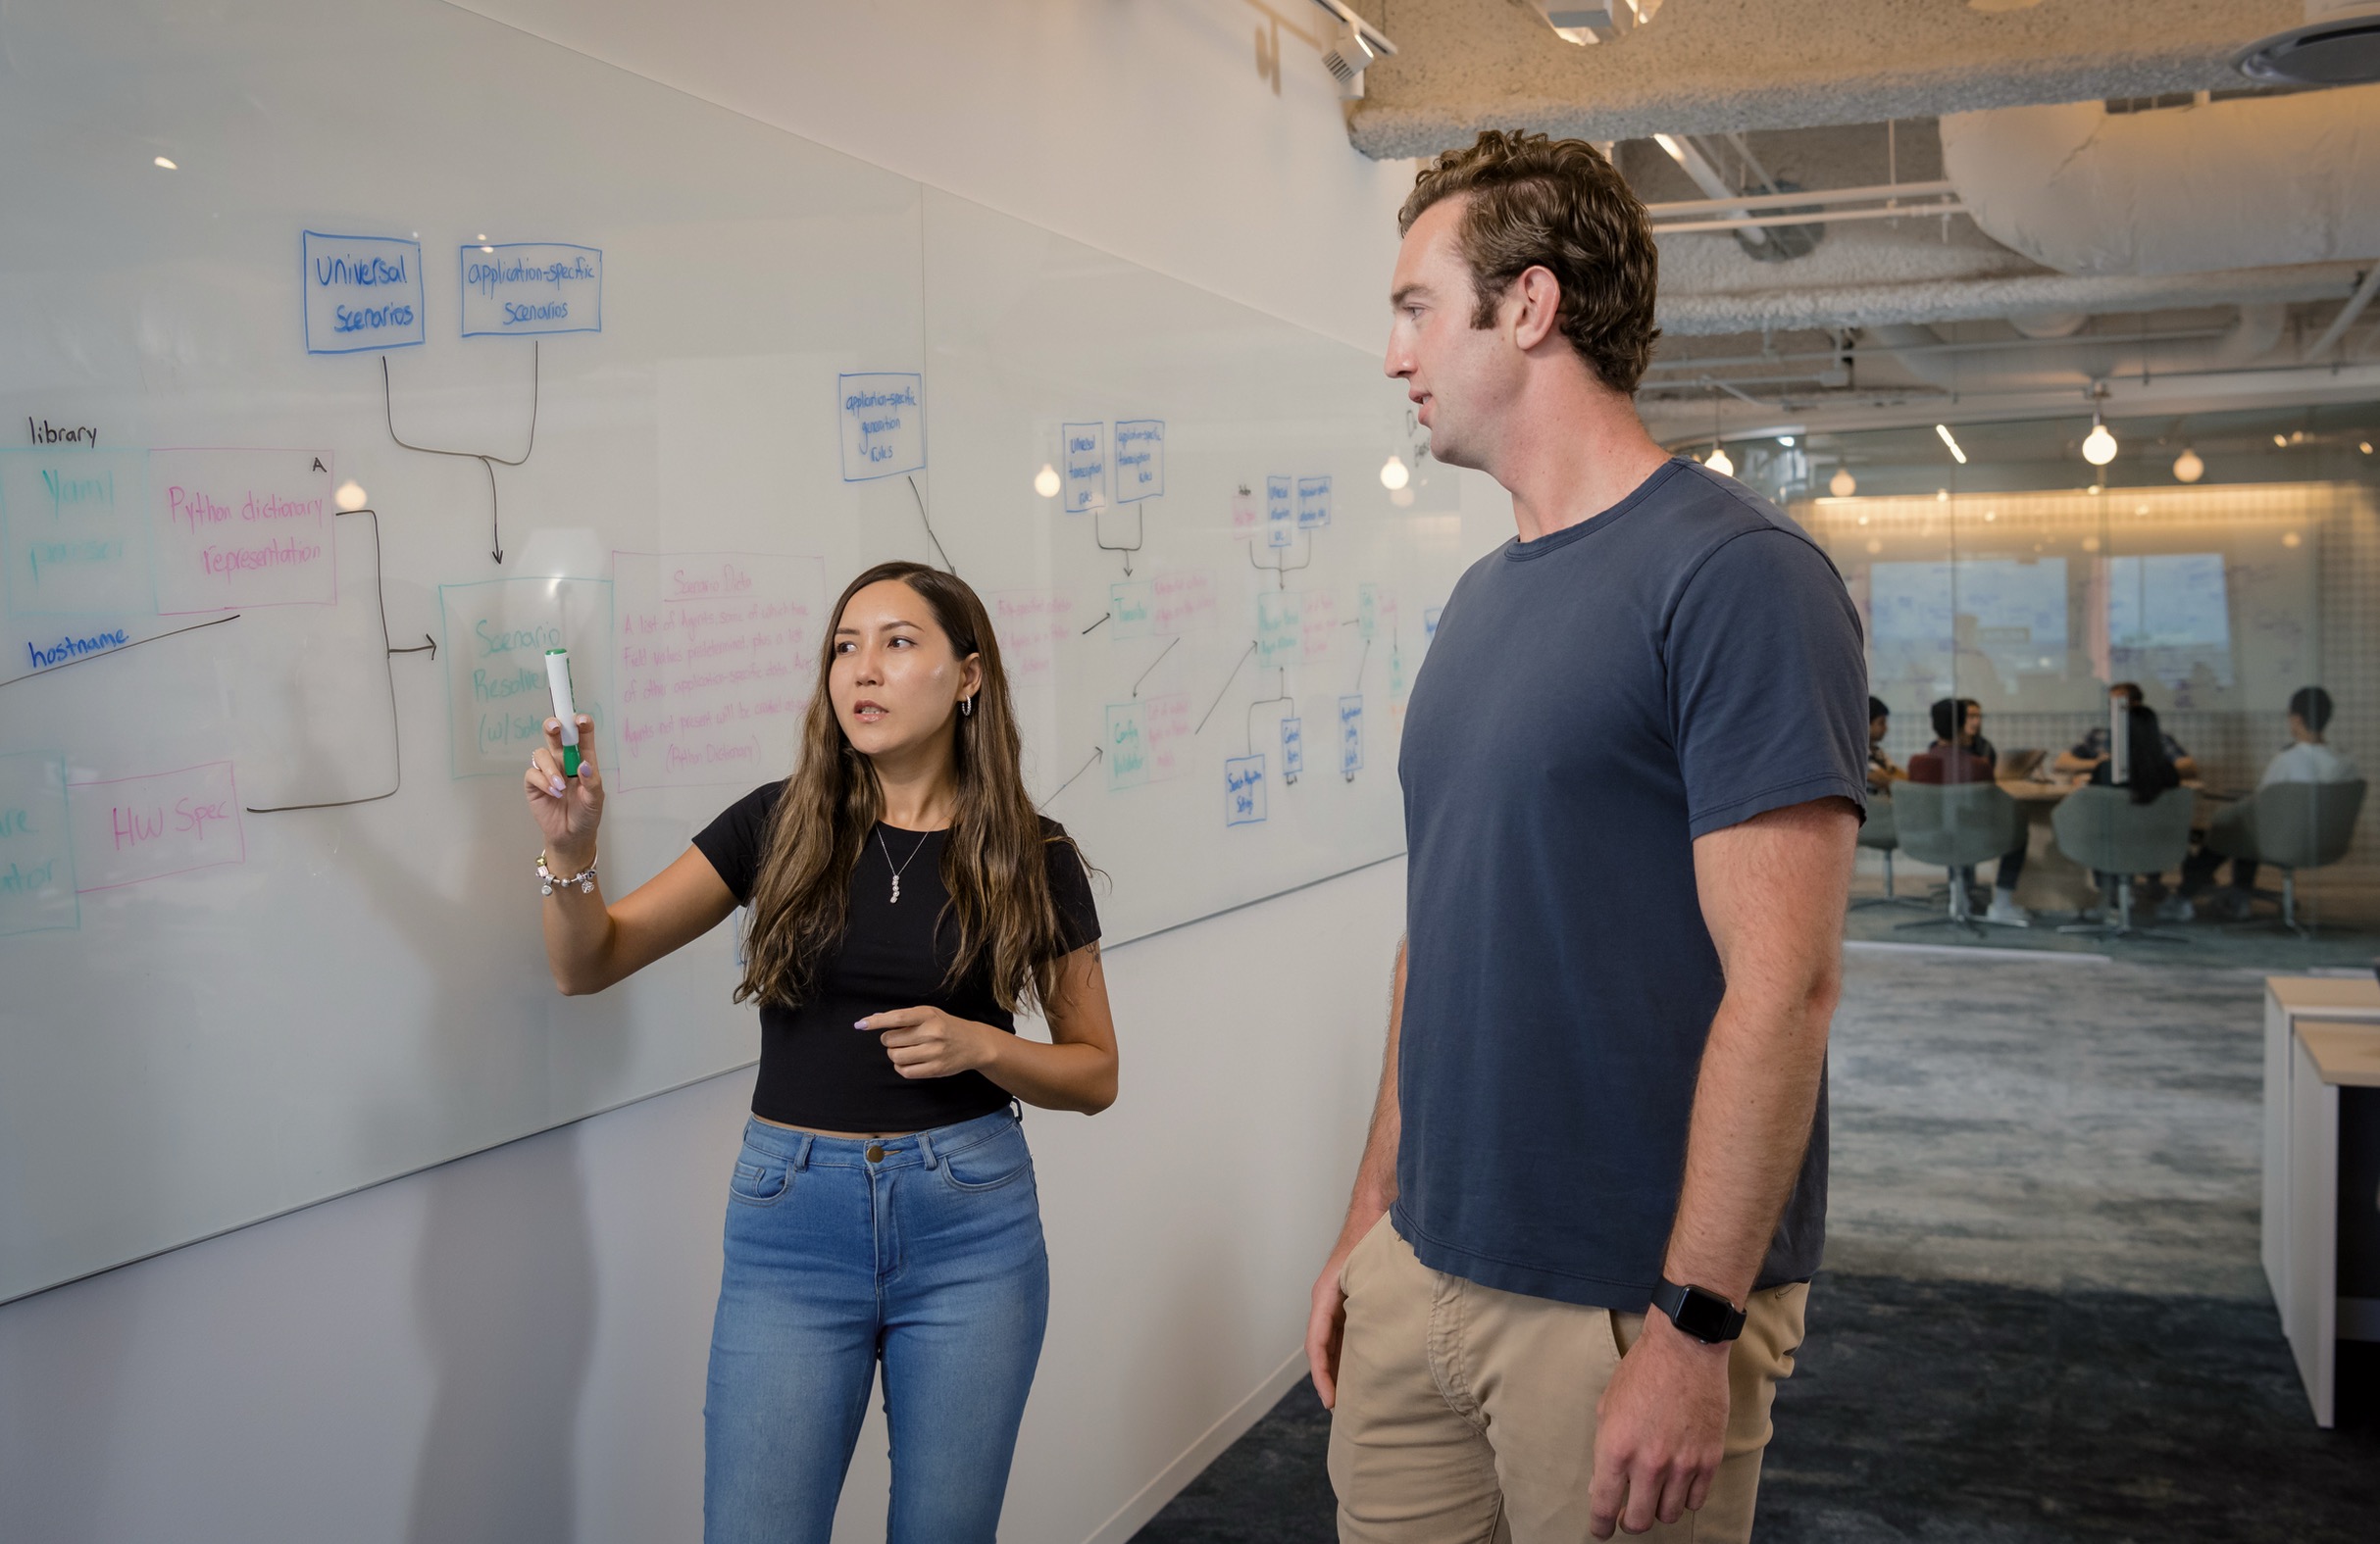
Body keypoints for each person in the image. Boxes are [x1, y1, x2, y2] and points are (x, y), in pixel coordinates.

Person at [1307, 130, 1868, 1544]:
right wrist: (1368, 1212)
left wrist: (1688, 1329)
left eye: (1416, 307)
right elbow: (1436, 933)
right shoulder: (1481, 597)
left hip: (1620, 1302)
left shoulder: (1736, 576)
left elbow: (1783, 984)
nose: (1393, 355)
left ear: (1531, 306)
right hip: (1424, 1267)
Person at [523, 561, 1118, 1544]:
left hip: (970, 1225)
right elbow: (588, 963)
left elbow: (1095, 1071)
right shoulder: (777, 822)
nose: (861, 672)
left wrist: (983, 1046)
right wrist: (569, 854)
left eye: (897, 643)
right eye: (846, 647)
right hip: (793, 1225)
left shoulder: (1031, 851)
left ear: (969, 678)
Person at [2183, 685, 2360, 920]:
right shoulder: (2346, 763)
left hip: (2284, 842)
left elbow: (2262, 802)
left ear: (2296, 719)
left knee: (2232, 828)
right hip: (2324, 843)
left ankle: (2186, 897)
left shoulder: (2288, 760)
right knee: (2243, 827)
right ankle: (2236, 895)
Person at [1907, 697, 2028, 925]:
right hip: (1974, 837)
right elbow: (1991, 804)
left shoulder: (1918, 763)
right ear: (1963, 724)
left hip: (1926, 836)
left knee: (1953, 827)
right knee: (2019, 827)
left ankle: (1959, 895)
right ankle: (2001, 904)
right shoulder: (1977, 765)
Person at [2055, 681, 2199, 780]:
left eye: (2120, 703)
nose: (2114, 709)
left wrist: (2141, 769)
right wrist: (2100, 765)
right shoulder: (2098, 735)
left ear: (2136, 704)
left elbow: (2188, 766)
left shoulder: (2156, 738)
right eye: (2110, 703)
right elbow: (2062, 762)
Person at [1867, 695, 1905, 794]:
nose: (1886, 728)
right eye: (1881, 723)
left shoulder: (1878, 752)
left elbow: (1898, 773)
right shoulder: (1855, 755)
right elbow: (1881, 779)